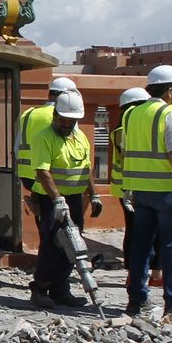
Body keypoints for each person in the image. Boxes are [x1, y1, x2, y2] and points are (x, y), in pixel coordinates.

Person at [123, 65, 172, 319]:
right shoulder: (170, 113)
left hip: (141, 191)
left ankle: (136, 300)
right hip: (170, 191)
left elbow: (127, 151)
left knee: (141, 247)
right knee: (171, 249)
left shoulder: (132, 114)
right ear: (169, 91)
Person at [29, 90, 100, 308]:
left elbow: (86, 168)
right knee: (52, 244)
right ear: (54, 116)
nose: (67, 124)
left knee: (73, 244)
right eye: (63, 120)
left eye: (72, 121)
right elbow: (43, 172)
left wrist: (94, 194)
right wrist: (58, 200)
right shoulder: (44, 137)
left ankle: (60, 289)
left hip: (75, 199)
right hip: (50, 200)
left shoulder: (80, 138)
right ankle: (40, 289)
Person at [111, 86, 161, 288]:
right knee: (142, 230)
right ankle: (139, 273)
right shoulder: (125, 131)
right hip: (135, 187)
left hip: (131, 186)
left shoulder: (123, 130)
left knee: (140, 230)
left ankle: (147, 273)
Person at [17, 76, 79, 202]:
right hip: (51, 176)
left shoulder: (28, 113)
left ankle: (36, 203)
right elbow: (72, 147)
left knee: (44, 206)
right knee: (57, 210)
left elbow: (16, 147)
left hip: (26, 176)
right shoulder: (64, 116)